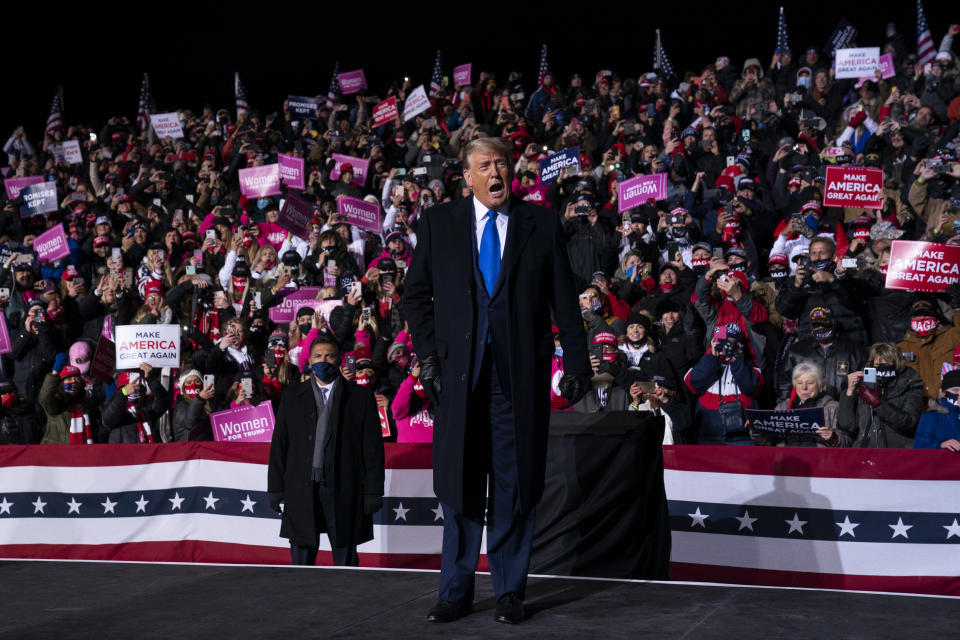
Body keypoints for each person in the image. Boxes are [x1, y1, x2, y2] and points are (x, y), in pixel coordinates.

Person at [404, 137, 590, 624]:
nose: (495, 172)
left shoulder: (542, 224)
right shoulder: (438, 224)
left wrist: (577, 362)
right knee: (461, 486)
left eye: (502, 163)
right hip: (458, 383)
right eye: (484, 165)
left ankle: (510, 592)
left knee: (514, 487)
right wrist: (429, 359)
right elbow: (415, 298)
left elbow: (565, 304)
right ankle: (455, 591)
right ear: (466, 177)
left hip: (519, 384)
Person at [267, 334, 385, 567]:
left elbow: (372, 449)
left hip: (344, 488)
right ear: (309, 361)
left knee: (345, 559)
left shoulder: (360, 398)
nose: (324, 361)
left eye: (330, 356)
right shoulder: (292, 395)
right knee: (301, 559)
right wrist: (275, 488)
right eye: (318, 356)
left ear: (339, 360)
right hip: (301, 487)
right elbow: (280, 444)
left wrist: (373, 491)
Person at [914, 370, 960, 451]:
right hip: (942, 462)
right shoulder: (931, 416)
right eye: (955, 390)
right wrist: (940, 445)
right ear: (943, 393)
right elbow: (918, 449)